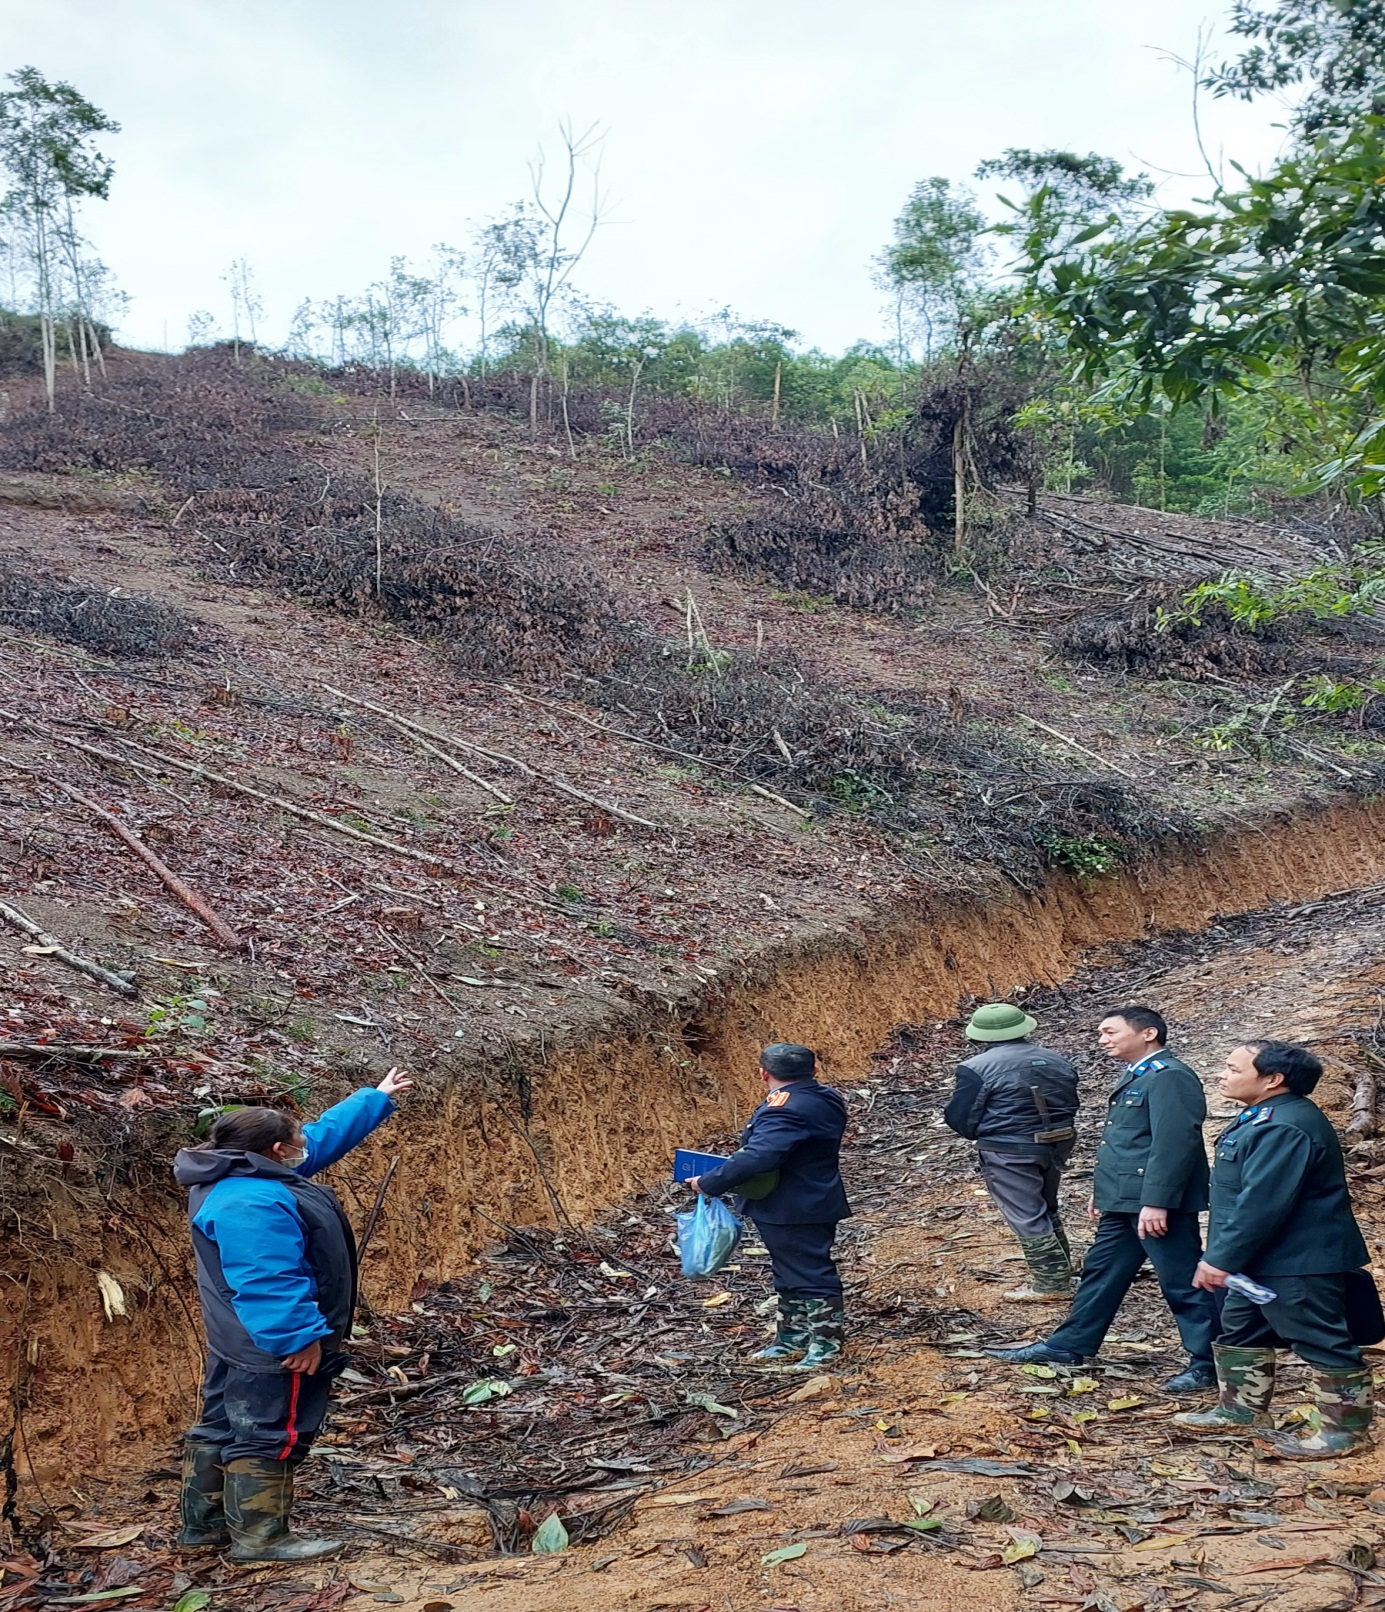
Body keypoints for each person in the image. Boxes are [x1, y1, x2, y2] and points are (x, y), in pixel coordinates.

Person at [172, 1068, 412, 1561]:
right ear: (277, 1150)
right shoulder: (255, 1201)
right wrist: (298, 1337)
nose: (304, 1146)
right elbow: (267, 1278)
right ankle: (261, 1539)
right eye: (294, 1140)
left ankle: (204, 1527)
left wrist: (373, 1099)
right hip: (272, 1345)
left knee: (221, 1422)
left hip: (234, 1337)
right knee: (271, 1430)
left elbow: (319, 1141)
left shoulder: (235, 1172)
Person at [986, 1006, 1220, 1394]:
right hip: (1125, 1201)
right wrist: (1106, 1193)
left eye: (1110, 1031)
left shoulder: (1170, 1077)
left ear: (1147, 1034)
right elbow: (1125, 1144)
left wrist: (1158, 1201)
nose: (1103, 1040)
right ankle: (1069, 1345)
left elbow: (1174, 1143)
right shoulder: (1140, 1075)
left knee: (1182, 1282)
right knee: (1101, 1273)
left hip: (1156, 1205)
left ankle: (1209, 1362)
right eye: (1100, 1033)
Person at [1173, 1040, 1374, 1457]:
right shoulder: (1264, 1116)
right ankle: (1241, 1410)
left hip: (1296, 1260)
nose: (1222, 1075)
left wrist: (1219, 1259)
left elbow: (1262, 1204)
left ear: (1272, 1080)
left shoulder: (1285, 1126)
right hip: (1261, 1259)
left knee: (1319, 1338)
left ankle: (1345, 1432)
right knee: (1242, 1329)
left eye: (1232, 1068)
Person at [689, 1043, 849, 1371]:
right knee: (788, 1272)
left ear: (764, 1073)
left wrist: (709, 1181)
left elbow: (760, 1155)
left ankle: (826, 1345)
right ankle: (792, 1338)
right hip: (807, 1197)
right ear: (813, 1071)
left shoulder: (786, 1108)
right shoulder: (823, 1096)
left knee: (810, 1273)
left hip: (793, 1204)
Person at [943, 1003, 1080, 1302]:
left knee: (1026, 1213)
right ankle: (1062, 1269)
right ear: (1024, 1027)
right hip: (1058, 1142)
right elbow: (1071, 1099)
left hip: (1008, 1149)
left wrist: (983, 1134)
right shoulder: (1055, 1058)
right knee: (1046, 1205)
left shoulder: (975, 1068)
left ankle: (1052, 1283)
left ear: (980, 1035)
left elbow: (961, 1117)